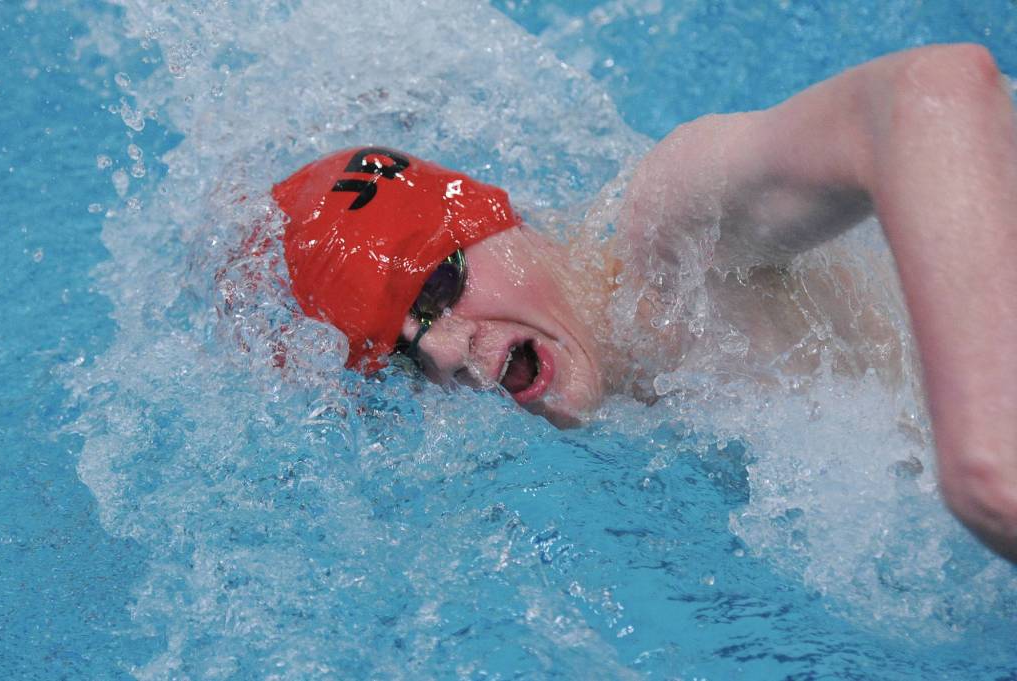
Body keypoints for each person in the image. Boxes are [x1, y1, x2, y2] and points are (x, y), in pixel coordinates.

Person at [272, 44, 1017, 563]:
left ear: (500, 216)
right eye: (402, 351)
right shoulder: (618, 435)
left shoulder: (667, 237)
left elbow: (933, 91)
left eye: (438, 284)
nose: (443, 351)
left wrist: (986, 461)